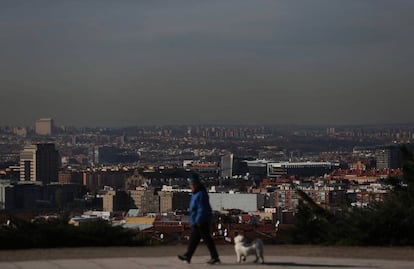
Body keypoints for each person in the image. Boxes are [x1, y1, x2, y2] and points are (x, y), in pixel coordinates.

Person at [178, 174, 220, 264]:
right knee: (194, 239)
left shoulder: (201, 193)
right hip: (198, 220)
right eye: (190, 184)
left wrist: (198, 220)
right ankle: (188, 255)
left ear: (196, 184)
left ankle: (214, 257)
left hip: (202, 220)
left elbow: (202, 208)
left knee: (206, 239)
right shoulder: (196, 193)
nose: (190, 186)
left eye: (192, 184)